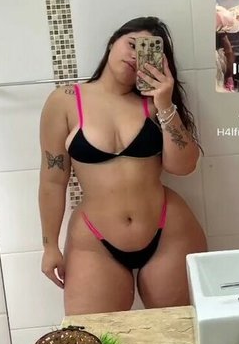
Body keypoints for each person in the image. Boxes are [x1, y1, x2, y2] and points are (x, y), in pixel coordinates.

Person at [39, 16, 207, 315]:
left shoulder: (156, 104)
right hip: (95, 239)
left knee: (179, 333)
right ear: (112, 42)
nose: (134, 56)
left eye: (145, 52)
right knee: (93, 337)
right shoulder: (65, 101)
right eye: (131, 44)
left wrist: (165, 103)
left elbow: (183, 167)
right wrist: (50, 245)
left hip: (168, 231)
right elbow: (53, 181)